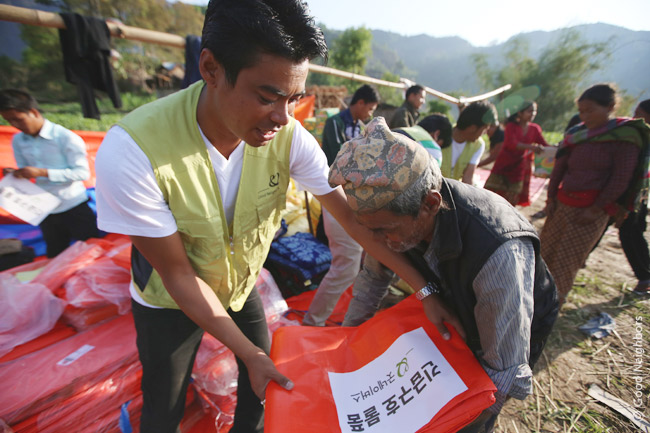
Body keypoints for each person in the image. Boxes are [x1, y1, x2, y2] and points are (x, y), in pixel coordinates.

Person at [95, 2, 448, 432]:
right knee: (164, 406)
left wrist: (424, 287)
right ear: (210, 67)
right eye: (267, 97)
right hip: (168, 298)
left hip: (241, 287)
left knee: (266, 382)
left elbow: (355, 222)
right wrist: (247, 352)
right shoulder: (134, 150)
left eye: (294, 98)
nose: (282, 117)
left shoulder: (289, 137)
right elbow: (180, 276)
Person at [331, 117, 558, 432]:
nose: (380, 243)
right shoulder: (394, 222)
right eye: (372, 232)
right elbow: (372, 278)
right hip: (453, 304)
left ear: (430, 204)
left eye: (385, 231)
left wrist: (455, 421)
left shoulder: (497, 252)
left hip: (503, 328)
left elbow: (501, 373)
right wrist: (345, 352)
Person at [540, 84, 649, 304]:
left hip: (591, 211)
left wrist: (597, 208)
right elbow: (560, 168)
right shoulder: (577, 134)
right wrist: (551, 199)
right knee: (544, 253)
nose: (584, 116)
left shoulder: (624, 138)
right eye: (581, 111)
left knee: (566, 261)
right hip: (562, 204)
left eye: (590, 110)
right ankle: (532, 295)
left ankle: (550, 306)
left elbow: (621, 178)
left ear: (610, 107)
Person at [303, 84, 379, 327]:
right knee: (347, 263)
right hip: (336, 193)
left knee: (349, 262)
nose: (370, 113)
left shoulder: (360, 127)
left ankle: (322, 318)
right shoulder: (335, 123)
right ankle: (313, 321)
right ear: (360, 103)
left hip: (353, 196)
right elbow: (339, 159)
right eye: (370, 108)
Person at [0, 89, 98, 258]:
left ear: (34, 112)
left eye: (18, 119)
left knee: (92, 251)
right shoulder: (18, 140)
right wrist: (18, 173)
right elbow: (25, 169)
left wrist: (42, 172)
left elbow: (82, 173)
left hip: (72, 204)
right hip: (45, 207)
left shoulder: (65, 137)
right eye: (9, 121)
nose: (15, 124)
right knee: (55, 254)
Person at [484, 101, 548, 206]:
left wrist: (558, 147)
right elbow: (511, 144)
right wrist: (532, 147)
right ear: (520, 113)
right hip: (503, 164)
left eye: (534, 111)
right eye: (529, 111)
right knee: (490, 196)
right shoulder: (511, 126)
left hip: (519, 168)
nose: (532, 114)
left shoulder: (534, 129)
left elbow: (544, 144)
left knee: (511, 199)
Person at [619, 99, 650, 294]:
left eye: (638, 113)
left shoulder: (640, 137)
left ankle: (645, 276)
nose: (634, 117)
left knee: (630, 232)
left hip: (634, 196)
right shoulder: (640, 136)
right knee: (633, 231)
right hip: (640, 194)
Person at [441, 100, 496, 183]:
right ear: (472, 127)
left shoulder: (478, 145)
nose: (484, 134)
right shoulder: (440, 135)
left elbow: (467, 177)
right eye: (484, 129)